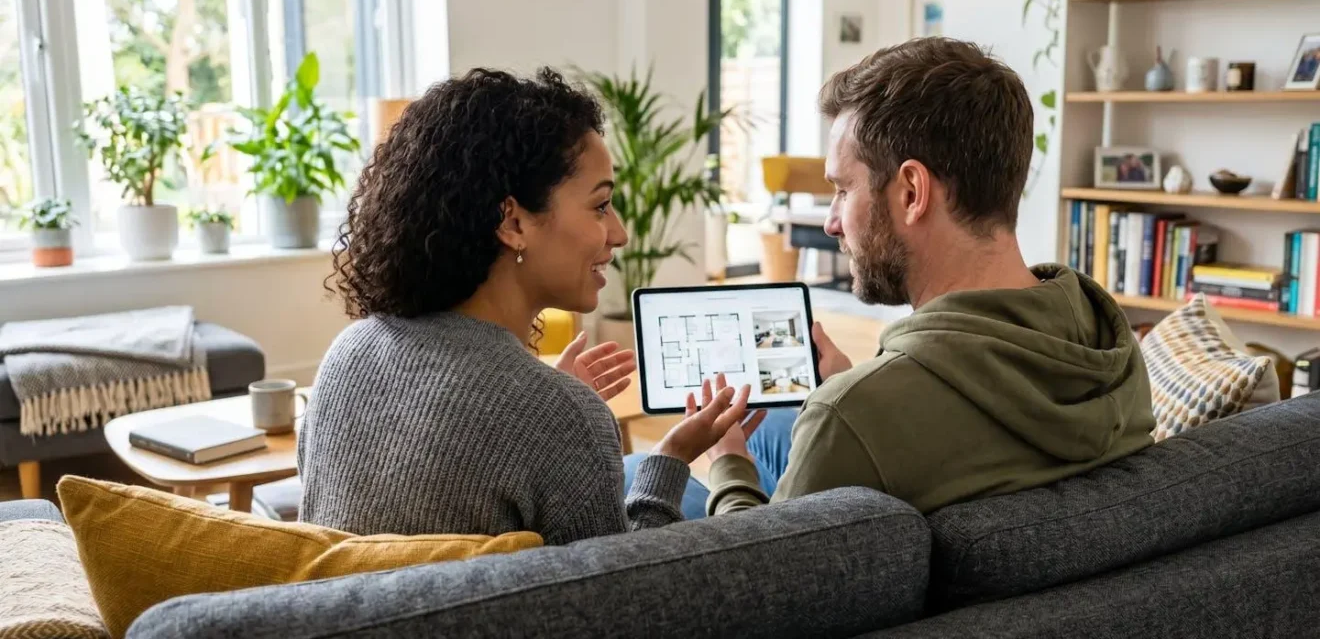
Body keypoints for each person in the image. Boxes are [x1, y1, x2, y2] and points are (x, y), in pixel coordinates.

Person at [698, 37, 1156, 516]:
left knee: (654, 471)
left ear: (912, 192)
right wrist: (857, 384)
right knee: (777, 427)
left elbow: (762, 580)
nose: (832, 222)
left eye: (841, 189)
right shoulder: (1113, 350)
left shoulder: (851, 419)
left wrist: (728, 463)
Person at [298, 68, 755, 545]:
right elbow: (619, 598)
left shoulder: (347, 354)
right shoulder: (559, 414)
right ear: (512, 221)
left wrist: (549, 404)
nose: (619, 233)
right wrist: (672, 459)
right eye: (600, 206)